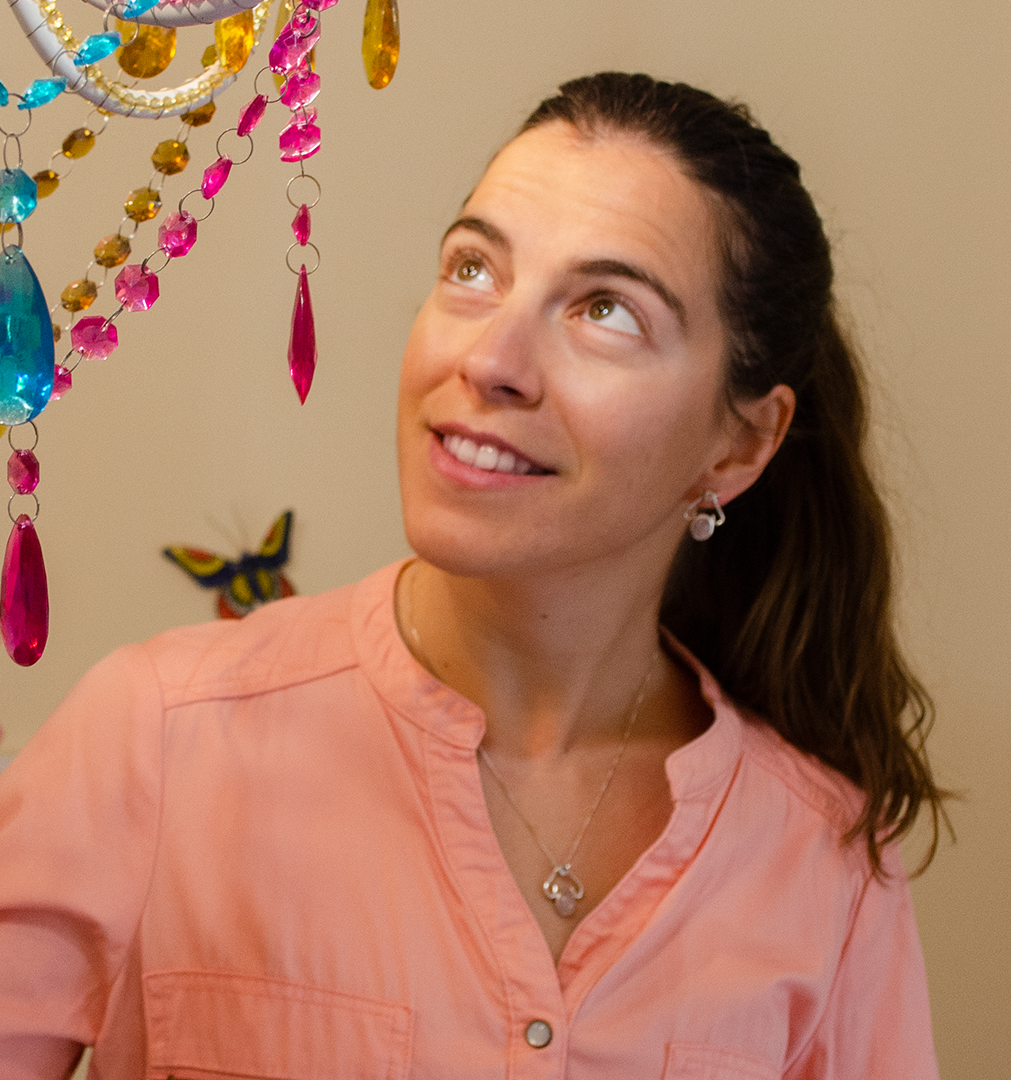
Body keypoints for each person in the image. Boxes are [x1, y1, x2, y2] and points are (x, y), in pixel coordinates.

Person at [0, 73, 946, 1078]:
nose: (492, 358)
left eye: (607, 313)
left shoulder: (829, 869)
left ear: (739, 446)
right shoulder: (156, 739)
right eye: (474, 269)